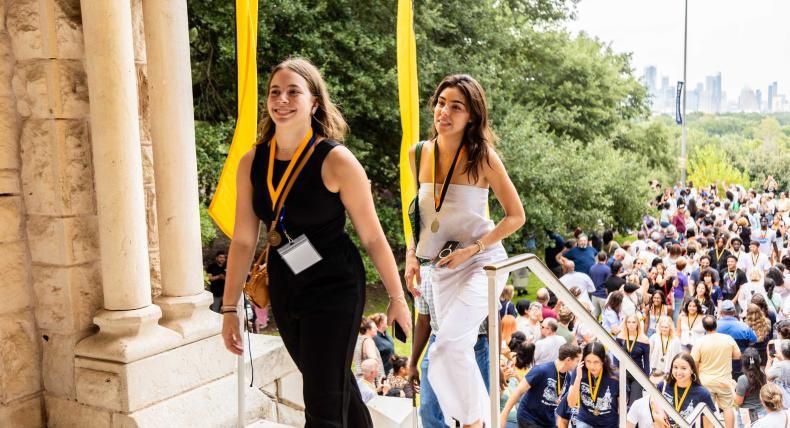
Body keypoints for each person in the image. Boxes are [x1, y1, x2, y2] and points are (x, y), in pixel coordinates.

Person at [220, 58, 411, 427]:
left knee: (323, 404)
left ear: (314, 103)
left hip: (335, 288)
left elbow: (372, 236)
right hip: (287, 287)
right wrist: (229, 308)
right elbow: (244, 240)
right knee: (334, 388)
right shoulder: (251, 162)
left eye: (294, 91)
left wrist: (397, 297)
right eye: (275, 92)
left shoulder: (337, 160)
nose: (282, 99)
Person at [403, 74, 525, 428]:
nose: (445, 111)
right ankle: (473, 420)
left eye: (456, 106)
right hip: (441, 267)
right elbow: (419, 213)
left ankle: (473, 422)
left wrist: (474, 248)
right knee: (444, 352)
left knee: (450, 344)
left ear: (472, 115)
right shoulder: (419, 153)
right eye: (441, 102)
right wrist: (412, 253)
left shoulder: (482, 156)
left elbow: (516, 216)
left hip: (482, 263)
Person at [500, 343, 582, 428]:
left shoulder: (568, 377)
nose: (578, 364)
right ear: (568, 360)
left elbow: (565, 402)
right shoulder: (541, 370)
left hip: (548, 421)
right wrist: (504, 414)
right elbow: (518, 391)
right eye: (577, 361)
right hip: (529, 418)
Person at [691, 315, 742, 428]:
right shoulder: (728, 339)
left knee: (708, 410)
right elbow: (738, 355)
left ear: (704, 327)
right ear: (716, 325)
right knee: (728, 408)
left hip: (706, 381)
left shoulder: (699, 342)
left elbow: (694, 362)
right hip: (725, 380)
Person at [566, 341, 620, 428]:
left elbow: (621, 407)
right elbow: (571, 403)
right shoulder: (579, 371)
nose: (592, 366)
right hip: (585, 421)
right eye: (588, 361)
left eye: (596, 362)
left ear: (603, 361)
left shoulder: (615, 376)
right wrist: (578, 379)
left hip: (608, 424)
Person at [656, 352, 716, 427]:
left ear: (692, 370)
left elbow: (709, 424)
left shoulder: (702, 393)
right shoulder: (663, 386)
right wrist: (659, 414)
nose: (678, 372)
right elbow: (653, 406)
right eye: (675, 367)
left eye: (683, 368)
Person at [717, 300, 757, 379]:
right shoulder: (744, 327)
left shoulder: (714, 326)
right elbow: (754, 340)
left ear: (721, 312)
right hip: (739, 364)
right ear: (734, 312)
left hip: (719, 362)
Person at [615, 313, 650, 404]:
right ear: (625, 324)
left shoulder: (644, 340)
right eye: (629, 322)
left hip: (637, 373)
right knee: (622, 401)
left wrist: (647, 379)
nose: (631, 324)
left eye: (633, 322)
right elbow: (616, 357)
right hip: (623, 372)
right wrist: (616, 373)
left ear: (637, 324)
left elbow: (646, 362)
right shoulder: (620, 337)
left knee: (635, 403)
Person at [735, 348, 767, 427]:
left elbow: (738, 402)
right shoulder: (763, 374)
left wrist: (731, 388)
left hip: (746, 416)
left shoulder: (742, 379)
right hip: (762, 413)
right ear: (758, 360)